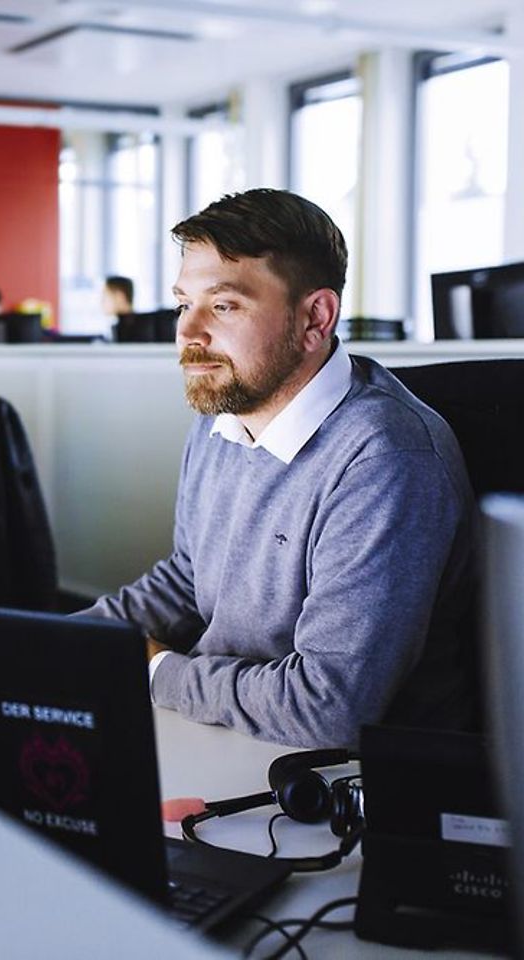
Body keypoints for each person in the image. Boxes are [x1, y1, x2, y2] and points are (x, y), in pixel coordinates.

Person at [82, 189, 476, 749]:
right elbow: (186, 578)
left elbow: (327, 706)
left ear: (316, 317)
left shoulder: (385, 460)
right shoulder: (225, 412)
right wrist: (55, 644)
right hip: (236, 736)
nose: (188, 333)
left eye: (223, 306)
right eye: (182, 304)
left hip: (346, 782)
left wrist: (156, 672)